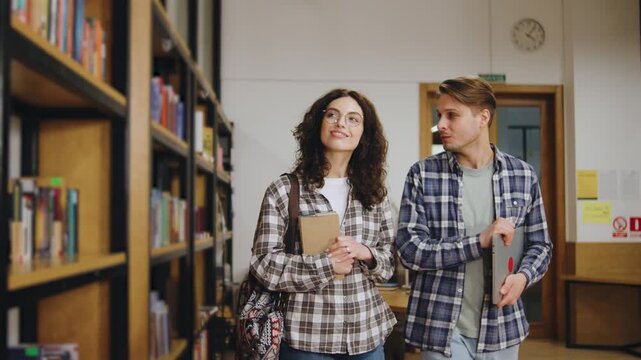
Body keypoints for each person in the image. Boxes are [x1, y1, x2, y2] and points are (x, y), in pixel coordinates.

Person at [395, 76, 553, 359]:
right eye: (439, 115)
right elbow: (409, 250)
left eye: (451, 115)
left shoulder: (523, 175)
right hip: (441, 327)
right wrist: (479, 241)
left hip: (502, 327)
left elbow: (541, 245)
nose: (440, 124)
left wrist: (523, 277)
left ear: (483, 117)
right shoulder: (422, 174)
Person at [249, 88, 397, 359]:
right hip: (307, 338)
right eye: (333, 115)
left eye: (353, 119)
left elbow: (388, 265)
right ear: (318, 123)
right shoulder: (284, 190)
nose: (342, 123)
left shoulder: (376, 194)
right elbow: (263, 264)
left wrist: (367, 253)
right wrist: (326, 265)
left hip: (367, 336)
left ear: (364, 134)